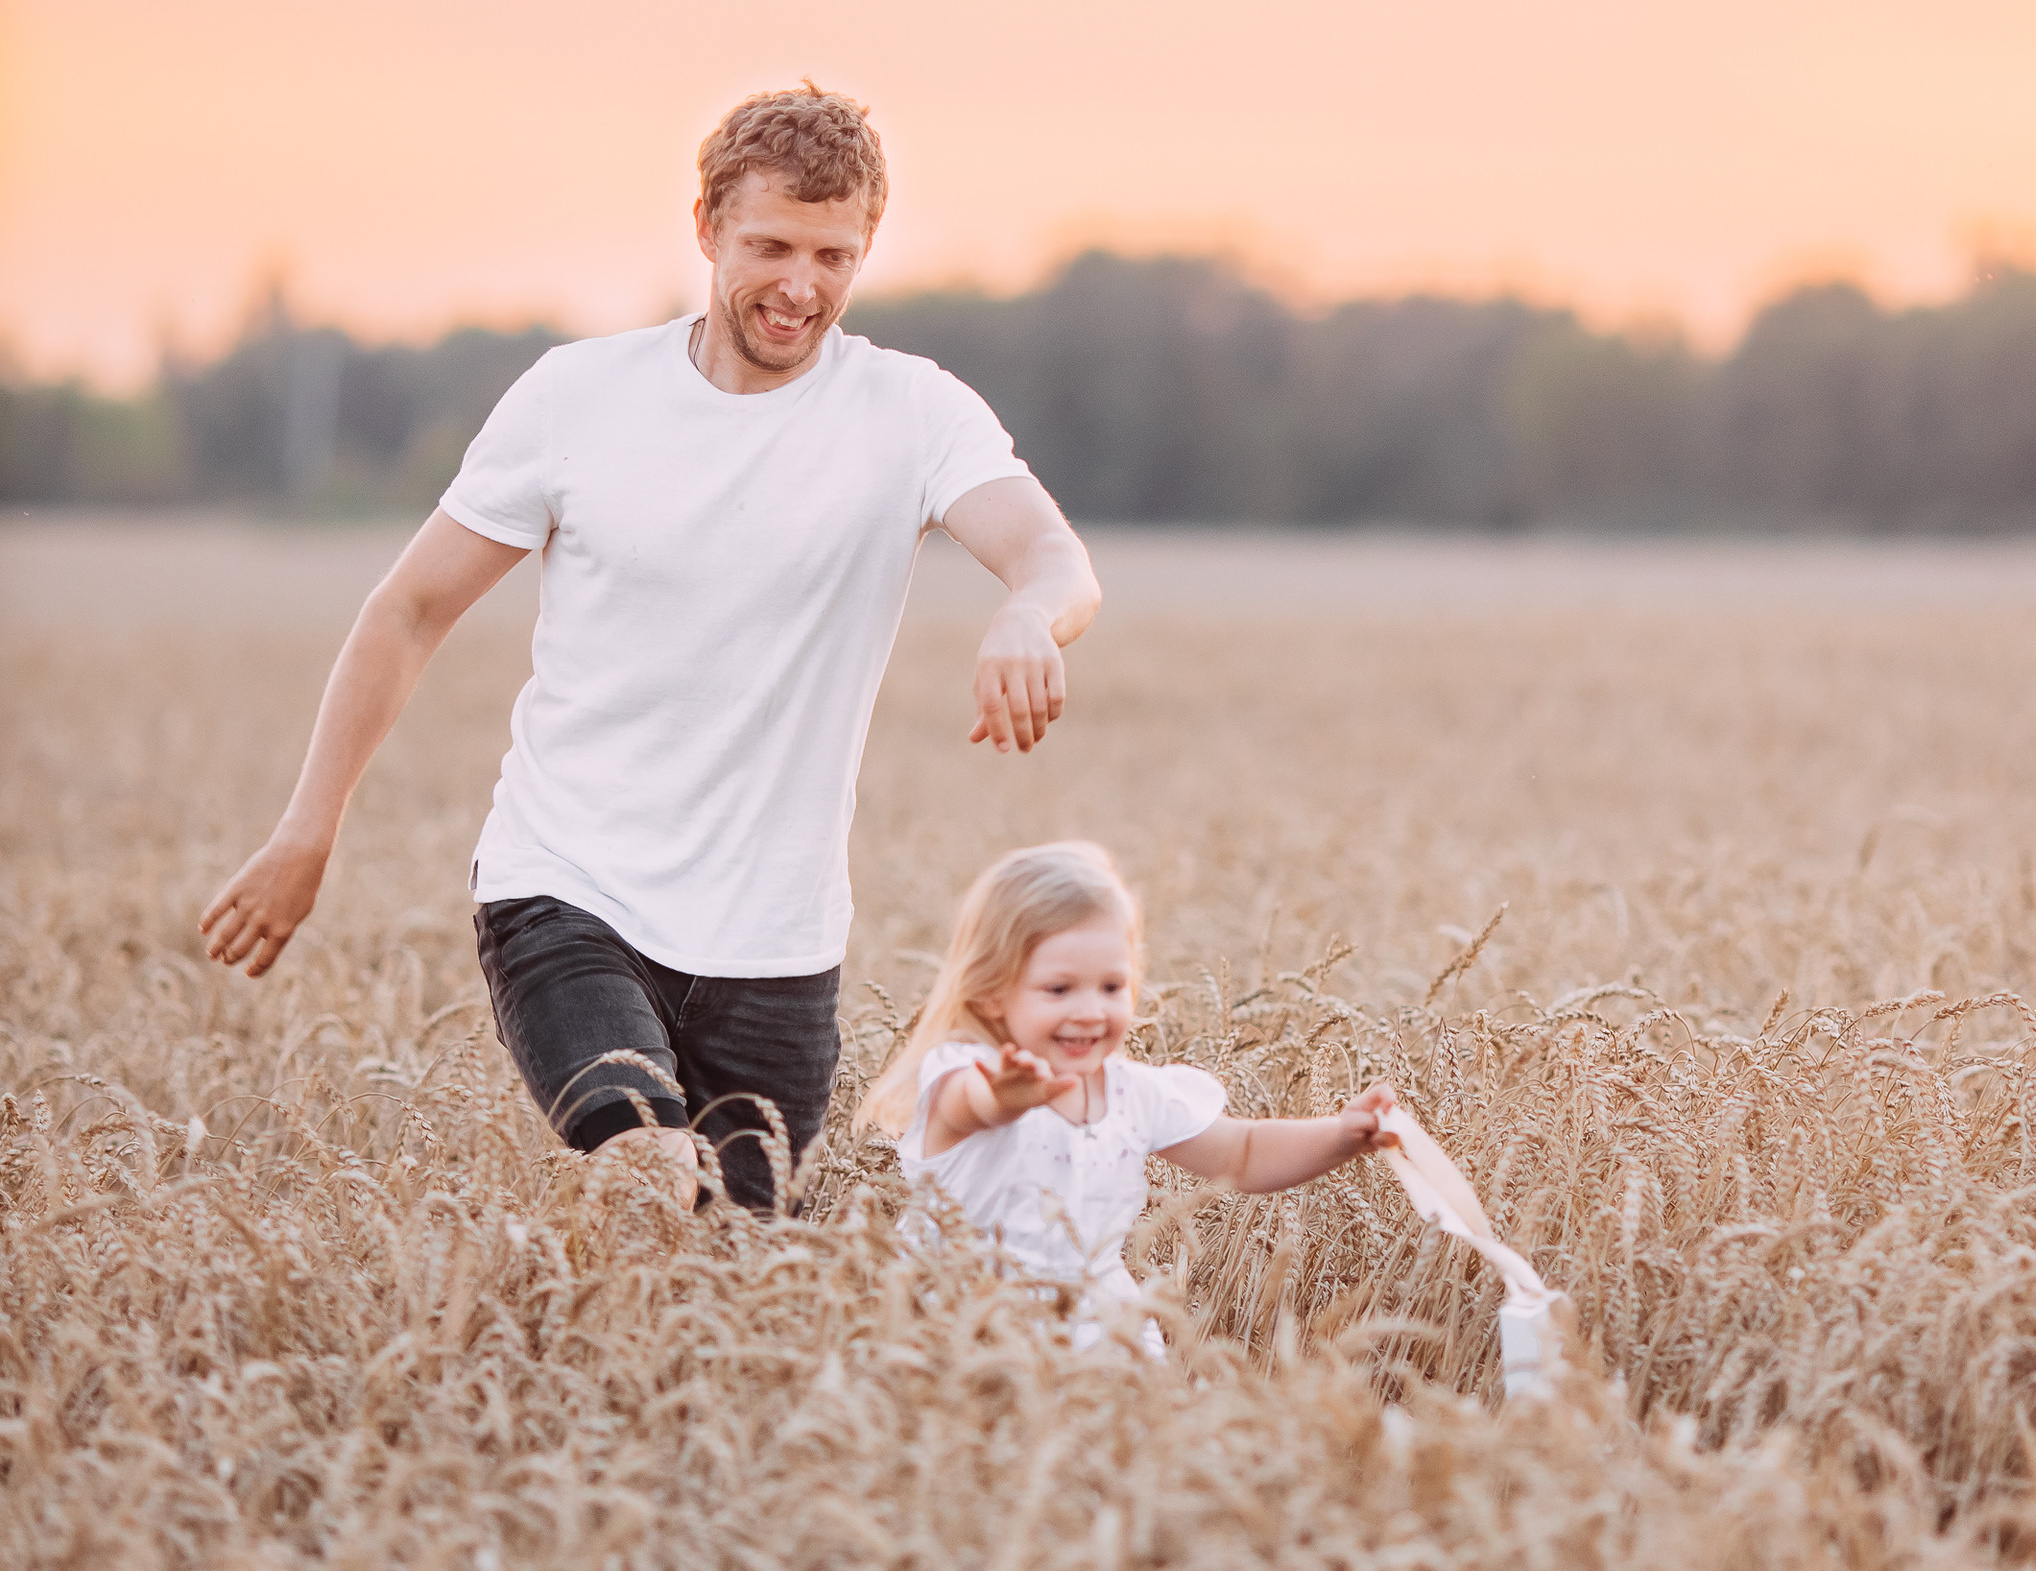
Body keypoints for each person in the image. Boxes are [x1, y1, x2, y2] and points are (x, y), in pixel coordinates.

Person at [200, 84, 1098, 1211]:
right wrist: (305, 831)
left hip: (778, 939)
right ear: (705, 227)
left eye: (834, 256)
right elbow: (409, 611)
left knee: (734, 1279)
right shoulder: (577, 397)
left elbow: (1053, 558)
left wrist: (1027, 611)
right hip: (568, 889)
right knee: (646, 1190)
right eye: (770, 245)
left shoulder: (911, 413)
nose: (800, 286)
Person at [865, 839, 1393, 1350]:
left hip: (1097, 1334)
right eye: (1059, 989)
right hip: (964, 1335)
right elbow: (971, 1105)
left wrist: (1341, 1135)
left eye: (1112, 987)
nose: (1092, 1010)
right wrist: (1006, 1098)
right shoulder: (964, 1074)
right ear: (990, 990)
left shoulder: (1134, 1094)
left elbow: (1244, 1152)